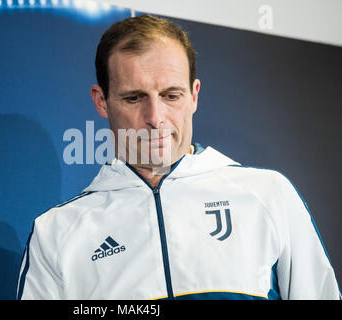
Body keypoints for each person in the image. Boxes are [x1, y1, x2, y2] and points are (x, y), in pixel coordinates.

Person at [17, 14, 340, 300]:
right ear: (102, 101)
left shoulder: (267, 195)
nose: (155, 117)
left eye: (171, 96)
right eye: (134, 98)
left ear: (194, 95)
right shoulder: (57, 232)